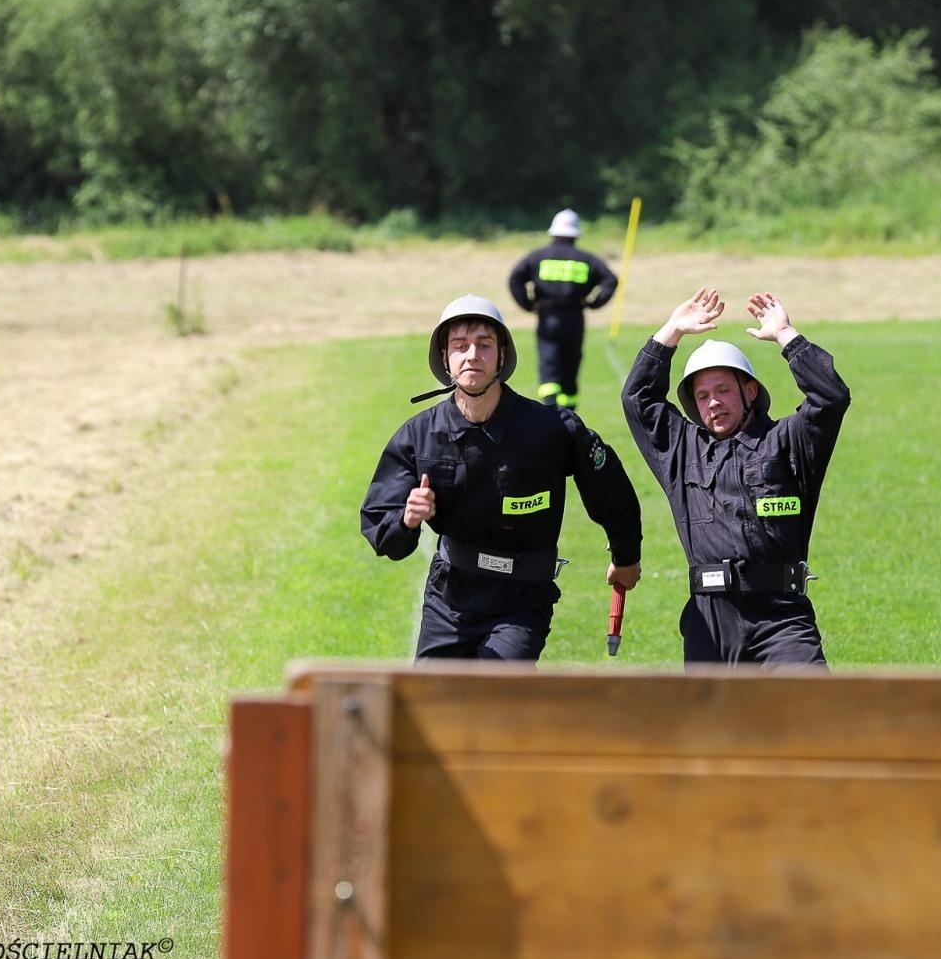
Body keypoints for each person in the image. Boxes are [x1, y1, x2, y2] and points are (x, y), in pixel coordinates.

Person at [361, 293, 642, 660]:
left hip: (522, 599)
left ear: (502, 356)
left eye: (484, 345)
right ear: (445, 358)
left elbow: (611, 491)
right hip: (450, 598)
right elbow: (383, 531)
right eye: (460, 346)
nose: (472, 355)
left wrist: (625, 556)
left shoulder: (551, 429)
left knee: (497, 699)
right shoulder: (419, 436)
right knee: (431, 706)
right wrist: (407, 519)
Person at [621, 288, 850, 666]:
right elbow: (638, 399)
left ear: (750, 391)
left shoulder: (789, 441)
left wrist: (786, 336)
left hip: (783, 618)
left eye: (724, 390)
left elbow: (831, 398)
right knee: (710, 727)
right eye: (702, 395)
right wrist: (671, 332)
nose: (713, 402)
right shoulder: (681, 449)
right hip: (709, 622)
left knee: (814, 714)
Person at [507, 208, 618, 410]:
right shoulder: (587, 259)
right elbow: (611, 280)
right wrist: (593, 303)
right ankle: (570, 415)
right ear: (576, 234)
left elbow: (515, 278)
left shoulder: (538, 257)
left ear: (553, 231)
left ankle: (550, 411)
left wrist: (528, 305)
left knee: (549, 367)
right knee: (570, 367)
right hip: (575, 319)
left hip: (547, 318)